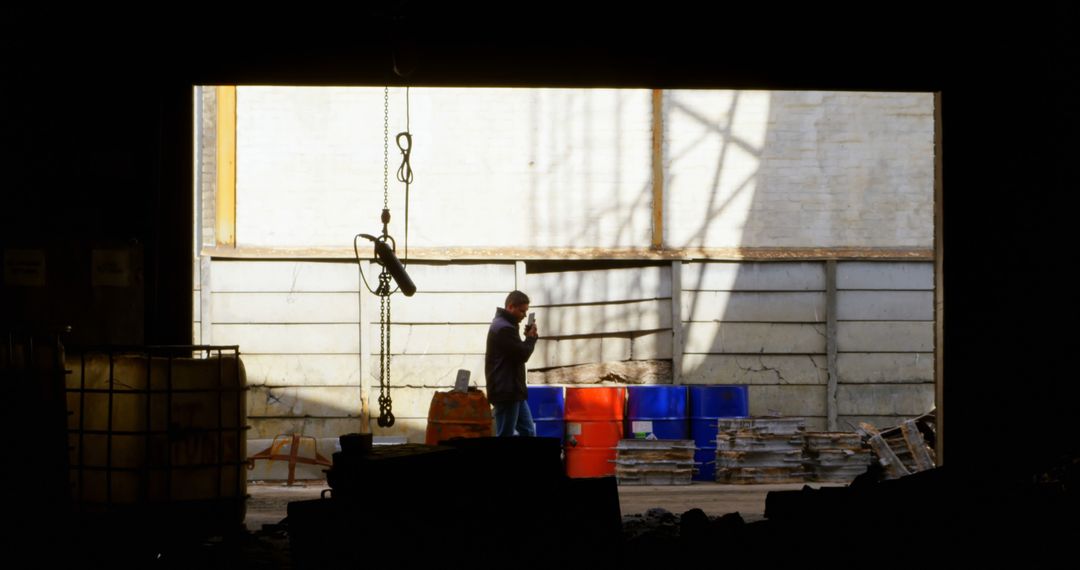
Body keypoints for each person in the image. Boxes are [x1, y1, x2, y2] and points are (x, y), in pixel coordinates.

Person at [485, 290, 539, 437]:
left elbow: (515, 353)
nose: (524, 315)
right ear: (510, 307)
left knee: (528, 432)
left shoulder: (505, 325)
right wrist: (530, 339)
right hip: (506, 391)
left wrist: (527, 339)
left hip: (513, 390)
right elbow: (522, 355)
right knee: (505, 435)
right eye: (522, 311)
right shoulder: (504, 328)